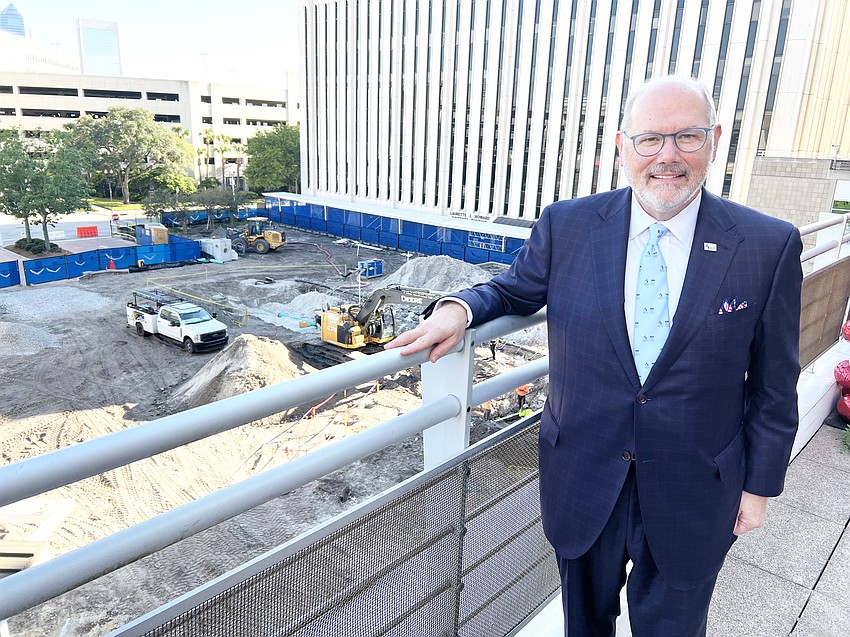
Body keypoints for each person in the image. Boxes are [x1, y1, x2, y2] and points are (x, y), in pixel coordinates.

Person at [386, 75, 802, 636]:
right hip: (583, 477)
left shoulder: (767, 244)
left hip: (696, 490)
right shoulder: (568, 225)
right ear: (621, 144)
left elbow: (775, 384)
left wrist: (759, 489)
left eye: (688, 138)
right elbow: (513, 290)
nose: (668, 157)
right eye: (650, 139)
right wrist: (459, 307)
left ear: (715, 140)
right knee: (583, 627)